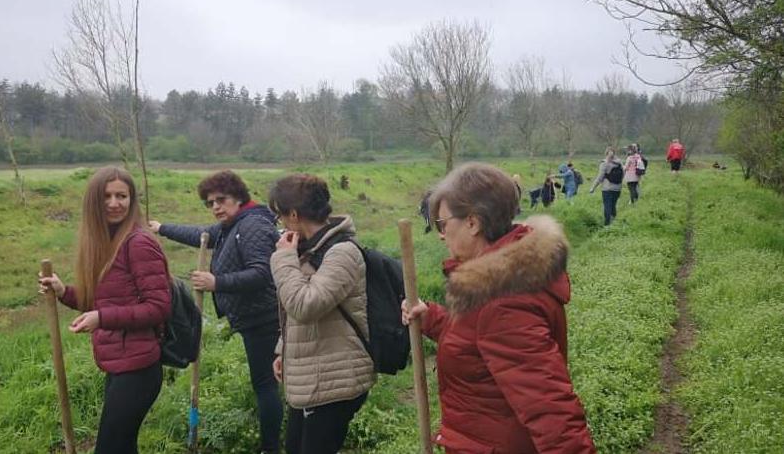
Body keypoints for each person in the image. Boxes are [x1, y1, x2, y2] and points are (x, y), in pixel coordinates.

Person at [401, 163, 595, 453]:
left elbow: (550, 409)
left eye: (443, 224)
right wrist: (433, 318)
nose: (441, 235)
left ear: (472, 223)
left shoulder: (504, 302)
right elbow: (479, 342)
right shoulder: (496, 284)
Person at [38, 166, 171, 454]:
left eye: (122, 196)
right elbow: (104, 301)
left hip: (139, 370)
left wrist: (102, 319)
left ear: (132, 200)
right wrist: (64, 292)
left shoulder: (138, 243)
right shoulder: (108, 243)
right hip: (119, 365)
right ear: (93, 202)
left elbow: (159, 308)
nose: (114, 203)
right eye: (107, 196)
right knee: (122, 447)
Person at [148, 170, 282, 454]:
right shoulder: (232, 224)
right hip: (252, 318)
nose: (216, 207)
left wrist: (216, 282)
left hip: (264, 318)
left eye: (221, 200)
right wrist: (162, 228)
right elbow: (201, 235)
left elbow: (262, 274)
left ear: (239, 197)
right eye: (210, 203)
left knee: (266, 384)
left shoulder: (253, 225)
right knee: (269, 381)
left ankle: (271, 448)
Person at [267, 173, 375, 454]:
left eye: (279, 216)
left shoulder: (342, 252)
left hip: (336, 379)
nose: (279, 223)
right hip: (310, 375)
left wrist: (282, 259)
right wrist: (283, 350)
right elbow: (295, 309)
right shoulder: (307, 248)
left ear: (293, 215)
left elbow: (305, 305)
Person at [589, 147, 624, 225]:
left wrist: (593, 188)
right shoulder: (619, 163)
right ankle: (613, 221)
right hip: (617, 188)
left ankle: (607, 224)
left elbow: (600, 177)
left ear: (606, 154)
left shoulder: (604, 163)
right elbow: (623, 173)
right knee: (613, 205)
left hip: (607, 188)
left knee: (607, 205)